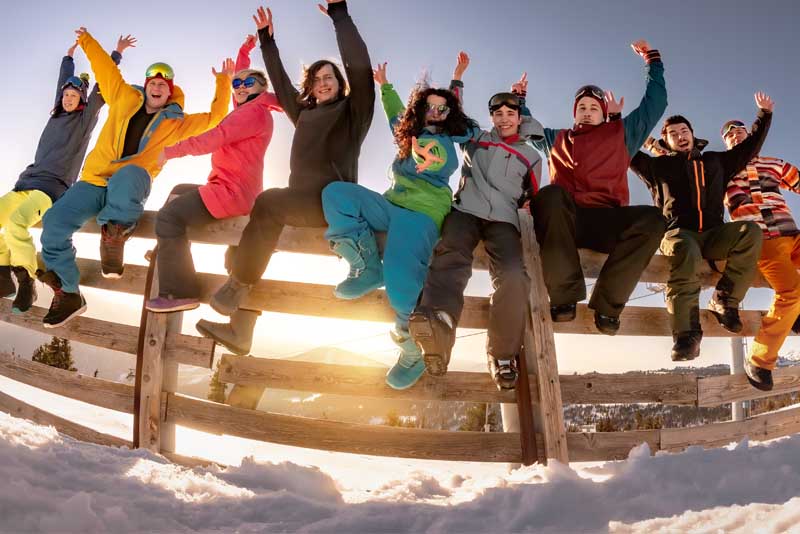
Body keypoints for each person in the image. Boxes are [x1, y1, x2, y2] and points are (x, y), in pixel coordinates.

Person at [196, 0, 375, 356]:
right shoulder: (305, 113)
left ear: (341, 84)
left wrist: (340, 16)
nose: (323, 83)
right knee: (242, 238)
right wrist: (267, 41)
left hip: (331, 204)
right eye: (317, 78)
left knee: (267, 204)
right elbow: (276, 80)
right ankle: (241, 329)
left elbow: (360, 67)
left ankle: (237, 287)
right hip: (299, 204)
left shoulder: (353, 112)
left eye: (330, 77)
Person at [37, 26, 231, 328]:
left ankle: (115, 234)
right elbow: (105, 69)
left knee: (130, 174)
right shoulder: (123, 95)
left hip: (128, 187)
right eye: (153, 82)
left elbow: (214, 119)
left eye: (163, 85)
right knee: (53, 224)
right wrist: (87, 41)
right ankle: (69, 291)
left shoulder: (176, 123)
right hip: (93, 181)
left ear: (170, 93)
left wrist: (223, 83)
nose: (157, 87)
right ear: (146, 85)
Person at [321, 57, 479, 391]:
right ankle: (364, 267)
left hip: (422, 212)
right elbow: (395, 112)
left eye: (442, 109)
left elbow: (452, 110)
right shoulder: (408, 133)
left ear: (451, 114)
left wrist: (456, 80)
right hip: (391, 203)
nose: (435, 112)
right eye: (429, 107)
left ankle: (413, 348)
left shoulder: (450, 141)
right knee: (337, 195)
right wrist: (385, 85)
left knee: (400, 281)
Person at [409, 56, 544, 391]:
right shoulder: (477, 138)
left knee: (514, 276)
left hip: (503, 221)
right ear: (492, 118)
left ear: (519, 117)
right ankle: (438, 331)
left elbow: (533, 195)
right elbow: (454, 115)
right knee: (450, 255)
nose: (503, 119)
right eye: (498, 114)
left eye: (510, 114)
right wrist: (456, 79)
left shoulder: (532, 155)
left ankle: (501, 355)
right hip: (466, 211)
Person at [529, 40, 668, 336]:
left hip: (607, 221)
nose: (588, 111)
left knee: (654, 220)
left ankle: (608, 304)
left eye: (594, 107)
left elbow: (654, 105)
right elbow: (525, 126)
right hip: (568, 222)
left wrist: (652, 62)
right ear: (574, 113)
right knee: (549, 195)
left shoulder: (622, 133)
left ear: (604, 113)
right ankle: (564, 297)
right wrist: (519, 99)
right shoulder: (556, 138)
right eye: (582, 107)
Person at [630, 93, 773, 361]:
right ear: (666, 141)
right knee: (686, 253)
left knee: (750, 232)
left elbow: (749, 148)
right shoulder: (656, 166)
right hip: (678, 233)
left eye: (684, 130)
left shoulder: (716, 161)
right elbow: (623, 147)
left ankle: (725, 299)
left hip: (714, 233)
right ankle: (686, 335)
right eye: (673, 133)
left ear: (693, 135)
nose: (680, 135)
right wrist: (614, 119)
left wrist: (764, 117)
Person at [145, 36, 282, 313]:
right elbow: (242, 83)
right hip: (232, 187)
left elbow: (215, 137)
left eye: (248, 83)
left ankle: (179, 292)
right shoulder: (249, 109)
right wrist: (244, 53)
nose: (240, 88)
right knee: (180, 190)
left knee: (169, 217)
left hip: (231, 193)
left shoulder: (252, 113)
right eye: (237, 84)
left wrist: (171, 151)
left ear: (262, 88)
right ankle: (167, 251)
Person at [0, 35, 133, 314]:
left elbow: (100, 89)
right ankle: (3, 275)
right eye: (65, 95)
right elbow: (63, 79)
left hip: (51, 188)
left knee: (16, 224)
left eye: (74, 95)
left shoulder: (84, 120)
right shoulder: (56, 114)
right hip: (25, 181)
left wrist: (116, 54)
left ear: (81, 99)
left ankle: (26, 280)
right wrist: (68, 58)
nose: (68, 99)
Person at [720, 117, 799, 390]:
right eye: (729, 136)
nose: (736, 137)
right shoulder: (722, 168)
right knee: (792, 292)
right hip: (763, 239)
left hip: (790, 231)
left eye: (740, 132)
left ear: (750, 136)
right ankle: (759, 360)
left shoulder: (772, 164)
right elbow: (687, 167)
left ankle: (795, 315)